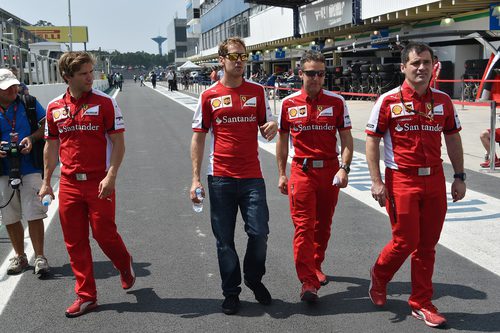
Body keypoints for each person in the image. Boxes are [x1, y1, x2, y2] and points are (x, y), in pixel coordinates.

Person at [365, 42, 466, 328]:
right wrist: (377, 181)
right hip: (402, 179)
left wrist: (459, 176)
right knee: (405, 241)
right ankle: (380, 275)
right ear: (403, 68)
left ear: (433, 65)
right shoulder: (387, 100)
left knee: (427, 245)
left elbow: (453, 137)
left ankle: (421, 302)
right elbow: (372, 139)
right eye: (415, 63)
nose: (421, 68)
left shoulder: (444, 101)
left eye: (426, 62)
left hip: (435, 178)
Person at [39, 51, 135, 318]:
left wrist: (111, 175)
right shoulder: (54, 106)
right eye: (84, 74)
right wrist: (47, 182)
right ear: (67, 76)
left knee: (104, 234)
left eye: (91, 71)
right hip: (68, 184)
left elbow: (118, 143)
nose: (91, 77)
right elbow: (51, 145)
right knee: (75, 242)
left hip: (99, 181)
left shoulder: (105, 103)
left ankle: (124, 263)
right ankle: (86, 295)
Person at [190, 37, 277, 315]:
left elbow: (267, 123)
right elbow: (199, 137)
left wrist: (270, 127)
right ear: (222, 59)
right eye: (234, 56)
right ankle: (231, 292)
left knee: (259, 232)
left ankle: (253, 278)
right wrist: (195, 179)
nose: (239, 61)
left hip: (252, 176)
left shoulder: (258, 91)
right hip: (221, 178)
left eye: (243, 56)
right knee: (224, 240)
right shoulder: (209, 96)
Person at [276, 50, 353, 302]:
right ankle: (307, 281)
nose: (316, 78)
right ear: (300, 74)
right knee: (303, 227)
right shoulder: (288, 103)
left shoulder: (337, 101)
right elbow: (282, 141)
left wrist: (344, 167)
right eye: (311, 73)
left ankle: (316, 265)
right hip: (302, 170)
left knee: (323, 225)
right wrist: (281, 173)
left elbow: (347, 140)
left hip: (330, 170)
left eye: (321, 73)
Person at [0, 68, 49, 276]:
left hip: (30, 165)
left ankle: (39, 257)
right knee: (9, 215)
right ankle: (20, 257)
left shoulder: (28, 102)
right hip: (2, 169)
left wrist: (32, 138)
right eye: (7, 87)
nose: (13, 89)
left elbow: (45, 126)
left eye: (15, 85)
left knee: (34, 211)